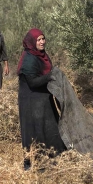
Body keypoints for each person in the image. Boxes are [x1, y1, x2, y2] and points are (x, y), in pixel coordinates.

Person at [17, 28, 66, 169]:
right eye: (38, 39)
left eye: (43, 38)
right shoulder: (29, 59)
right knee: (34, 131)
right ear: (32, 42)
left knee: (50, 128)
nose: (42, 42)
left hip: (43, 98)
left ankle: (53, 159)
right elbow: (32, 82)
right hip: (31, 100)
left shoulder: (42, 55)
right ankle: (33, 162)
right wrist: (50, 77)